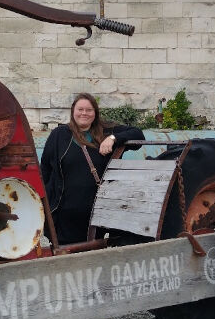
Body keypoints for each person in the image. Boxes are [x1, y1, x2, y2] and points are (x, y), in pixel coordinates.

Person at [40, 93, 143, 245]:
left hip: (96, 217)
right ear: (73, 111)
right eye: (80, 109)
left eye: (89, 110)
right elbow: (45, 170)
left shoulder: (106, 131)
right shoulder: (58, 135)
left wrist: (113, 139)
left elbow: (138, 134)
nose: (84, 113)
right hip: (64, 217)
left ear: (95, 113)